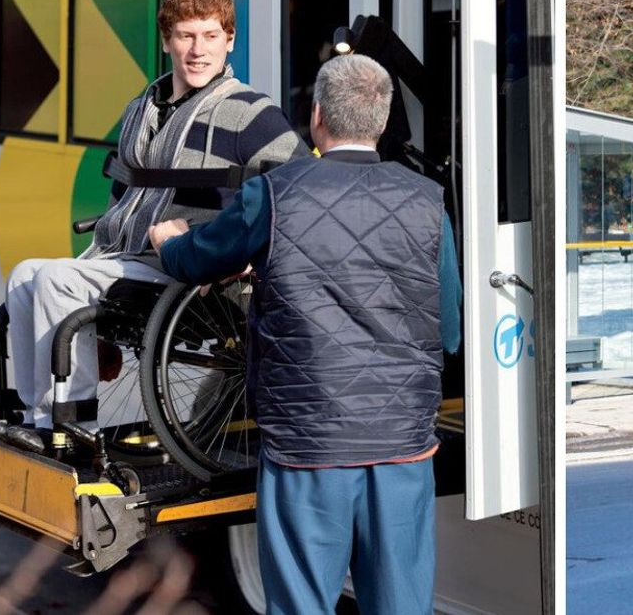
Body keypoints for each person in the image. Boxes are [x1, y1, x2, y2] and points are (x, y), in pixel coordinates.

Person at [148, 53, 461, 615]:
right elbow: (451, 330)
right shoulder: (426, 202)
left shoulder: (275, 193)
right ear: (383, 121)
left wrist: (170, 242)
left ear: (316, 115)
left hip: (306, 444)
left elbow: (200, 258)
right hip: (402, 446)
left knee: (300, 604)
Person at [0, 0, 309, 452]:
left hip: (191, 270)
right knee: (25, 276)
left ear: (230, 40)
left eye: (210, 36)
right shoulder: (141, 108)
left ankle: (75, 423)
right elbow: (122, 198)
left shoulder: (251, 113)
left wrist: (253, 254)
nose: (198, 50)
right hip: (126, 258)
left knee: (58, 280)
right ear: (167, 41)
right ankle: (40, 415)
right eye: (186, 36)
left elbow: (302, 188)